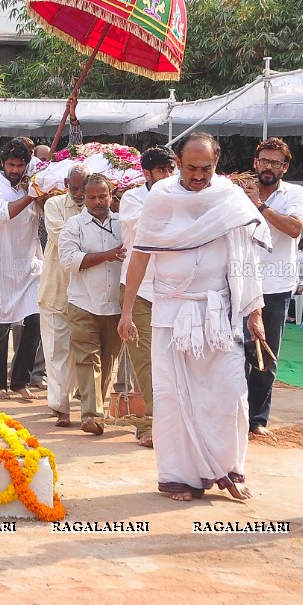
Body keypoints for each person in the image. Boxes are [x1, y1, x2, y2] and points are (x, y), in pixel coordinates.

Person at [119, 133, 268, 503]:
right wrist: (125, 311)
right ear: (178, 164)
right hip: (171, 311)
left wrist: (255, 312)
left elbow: (245, 257)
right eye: (191, 168)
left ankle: (229, 469)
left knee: (230, 392)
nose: (199, 176)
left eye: (207, 168)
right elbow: (140, 255)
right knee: (172, 396)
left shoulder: (229, 197)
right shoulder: (162, 197)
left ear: (216, 164)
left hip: (220, 312)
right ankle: (178, 477)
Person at [239, 137, 303, 437]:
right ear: (255, 163)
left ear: (285, 167)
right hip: (239, 282)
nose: (269, 167)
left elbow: (295, 228)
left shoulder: (295, 193)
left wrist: (260, 205)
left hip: (276, 286)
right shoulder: (237, 189)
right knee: (236, 351)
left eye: (275, 163)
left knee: (265, 355)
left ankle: (257, 419)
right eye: (264, 161)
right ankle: (235, 415)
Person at [0, 139, 46, 401]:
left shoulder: (32, 185)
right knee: (0, 329)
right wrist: (32, 194)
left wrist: (38, 189)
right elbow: (4, 213)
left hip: (30, 266)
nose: (15, 170)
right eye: (11, 165)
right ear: (2, 164)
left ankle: (20, 381)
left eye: (20, 165)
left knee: (35, 323)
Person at [118, 146, 177, 447]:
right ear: (146, 173)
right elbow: (147, 232)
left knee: (174, 360)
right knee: (145, 360)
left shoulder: (183, 196)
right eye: (162, 171)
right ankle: (150, 425)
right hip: (138, 289)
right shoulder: (132, 199)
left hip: (173, 289)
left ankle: (171, 423)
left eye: (171, 170)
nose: (169, 176)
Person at [59, 172, 125, 434]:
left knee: (108, 361)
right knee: (87, 358)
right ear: (82, 198)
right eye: (92, 197)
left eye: (102, 196)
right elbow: (70, 261)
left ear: (111, 195)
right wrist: (108, 255)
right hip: (82, 302)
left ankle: (95, 409)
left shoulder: (123, 222)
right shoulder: (74, 225)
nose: (97, 201)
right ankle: (92, 415)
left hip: (116, 305)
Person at [37, 164, 86, 426]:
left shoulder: (97, 205)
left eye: (83, 187)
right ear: (66, 184)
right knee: (56, 350)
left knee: (80, 352)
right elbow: (62, 238)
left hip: (86, 293)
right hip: (56, 289)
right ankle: (61, 406)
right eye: (75, 187)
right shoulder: (54, 205)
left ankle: (68, 398)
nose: (79, 193)